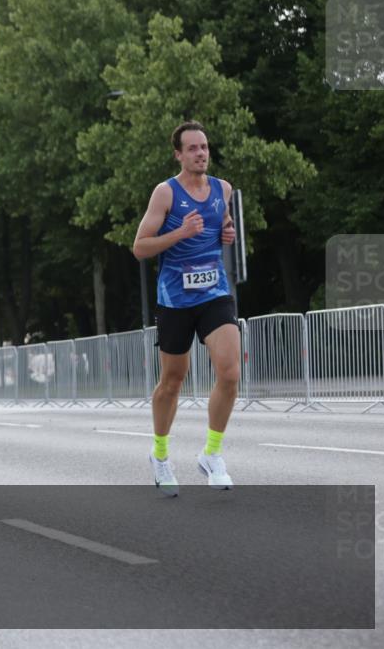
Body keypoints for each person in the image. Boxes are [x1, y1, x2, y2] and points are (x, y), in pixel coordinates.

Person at [133, 120, 239, 496]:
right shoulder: (166, 193)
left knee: (230, 373)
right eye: (192, 148)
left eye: (204, 147)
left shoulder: (222, 189)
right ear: (178, 154)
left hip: (214, 293)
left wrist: (227, 231)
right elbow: (140, 247)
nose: (201, 153)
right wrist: (180, 232)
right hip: (175, 299)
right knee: (173, 381)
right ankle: (160, 455)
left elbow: (222, 223)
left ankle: (212, 453)